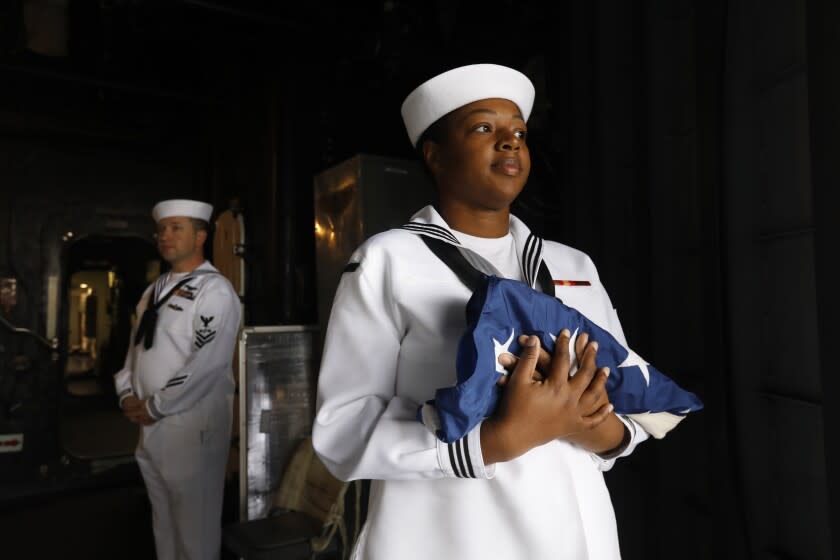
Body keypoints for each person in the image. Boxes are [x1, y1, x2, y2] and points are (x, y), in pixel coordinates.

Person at [312, 63, 654, 559]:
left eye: (518, 132)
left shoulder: (572, 265)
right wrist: (496, 439)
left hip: (576, 533)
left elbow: (629, 399)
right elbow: (343, 429)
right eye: (483, 128)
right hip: (451, 534)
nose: (510, 142)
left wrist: (584, 424)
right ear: (435, 155)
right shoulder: (388, 260)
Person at [114, 199, 241, 560]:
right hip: (150, 426)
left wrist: (156, 405)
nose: (164, 236)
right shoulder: (152, 292)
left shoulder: (214, 291)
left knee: (195, 531)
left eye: (176, 228)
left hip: (190, 427)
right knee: (164, 524)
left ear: (200, 236)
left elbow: (207, 364)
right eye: (161, 230)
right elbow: (134, 353)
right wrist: (125, 393)